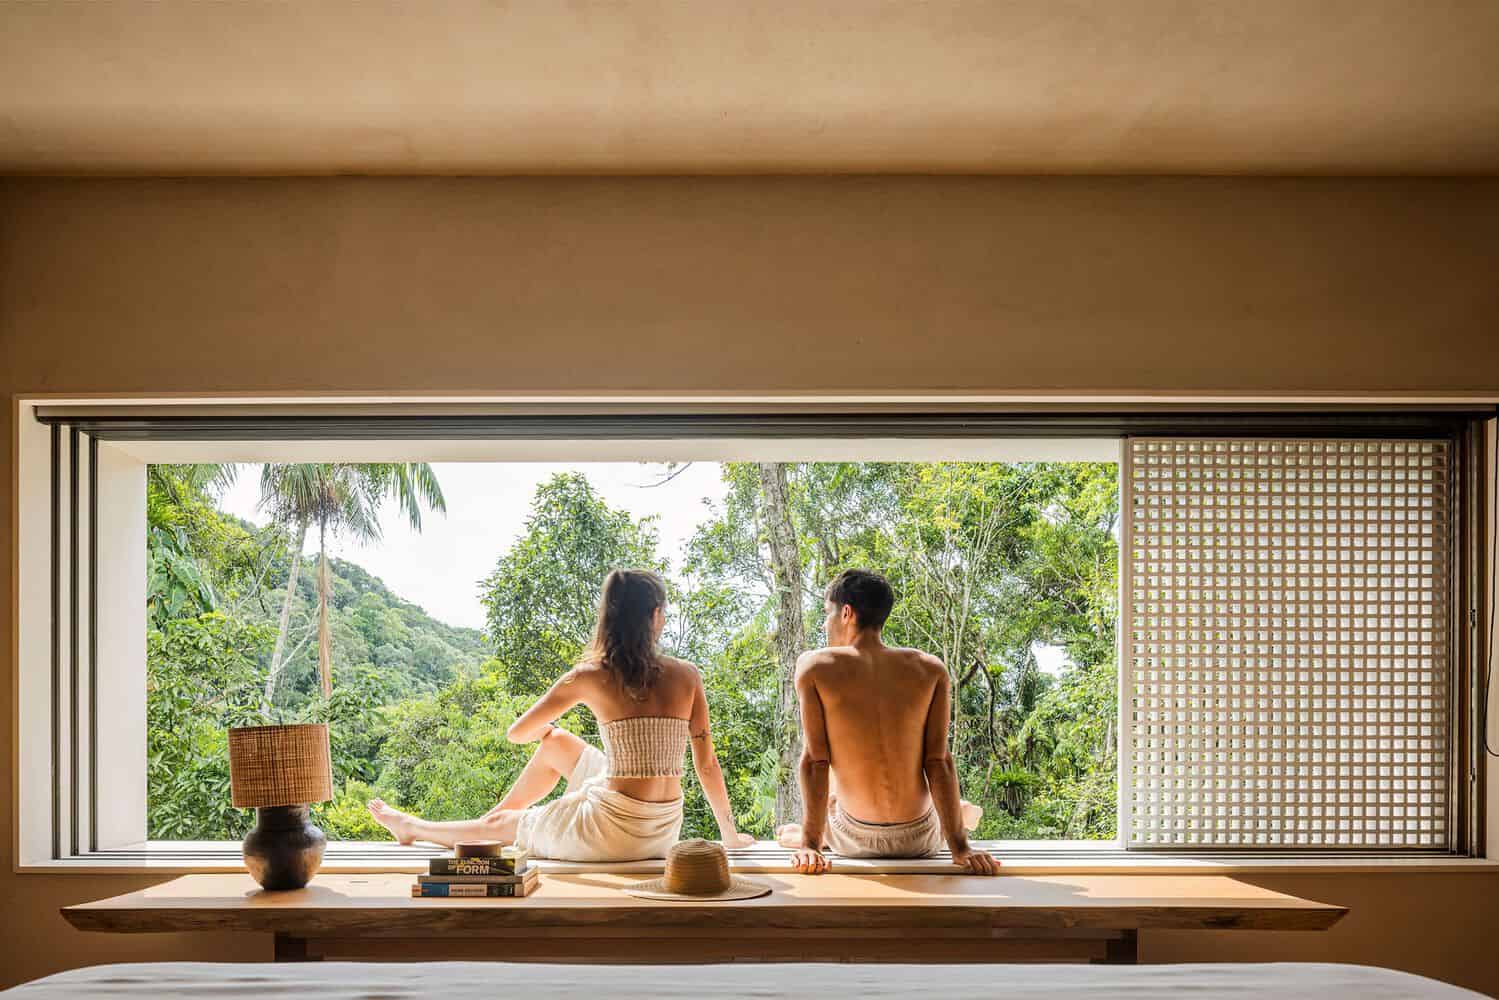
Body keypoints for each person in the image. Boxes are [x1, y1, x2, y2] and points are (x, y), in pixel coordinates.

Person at [369, 568, 754, 861]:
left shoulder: (589, 676)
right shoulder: (687, 676)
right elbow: (706, 765)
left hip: (612, 832)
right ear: (655, 615)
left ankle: (421, 827)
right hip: (663, 828)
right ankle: (493, 826)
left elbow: (518, 733)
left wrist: (547, 726)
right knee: (559, 743)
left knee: (531, 771)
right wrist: (730, 836)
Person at [778, 568, 999, 875]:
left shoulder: (815, 666)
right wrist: (960, 848)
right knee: (947, 801)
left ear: (846, 613)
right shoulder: (930, 669)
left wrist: (810, 845)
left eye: (827, 613)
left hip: (853, 838)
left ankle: (809, 836)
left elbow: (816, 760)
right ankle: (964, 813)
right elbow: (938, 761)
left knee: (825, 777)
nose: (825, 623)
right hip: (920, 839)